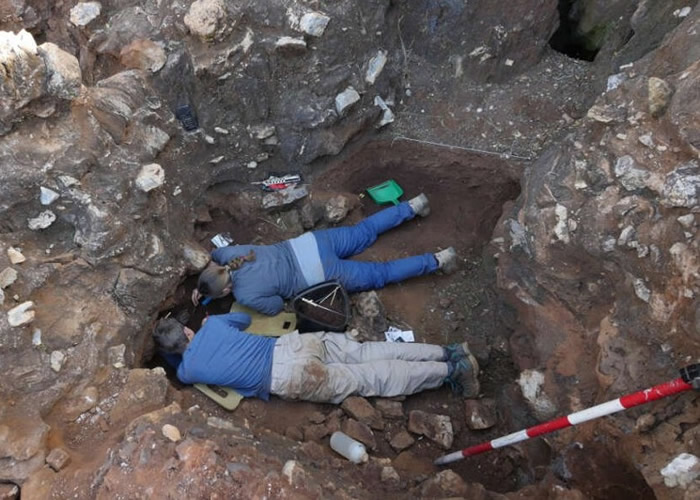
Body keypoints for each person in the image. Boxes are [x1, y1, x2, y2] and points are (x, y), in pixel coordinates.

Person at [191, 193, 458, 315]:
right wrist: (205, 285)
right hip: (312, 244)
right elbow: (216, 256)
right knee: (363, 231)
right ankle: (413, 206)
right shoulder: (230, 254)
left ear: (226, 292)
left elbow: (275, 307)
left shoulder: (244, 296)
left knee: (381, 273)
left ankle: (439, 260)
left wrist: (212, 293)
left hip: (319, 273)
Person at [154, 313, 480, 403]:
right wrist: (210, 323)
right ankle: (448, 353)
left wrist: (177, 356)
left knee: (369, 377)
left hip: (290, 378)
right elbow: (243, 320)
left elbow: (179, 367)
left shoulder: (186, 373)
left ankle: (450, 371)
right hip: (292, 346)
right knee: (366, 352)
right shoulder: (212, 326)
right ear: (187, 330)